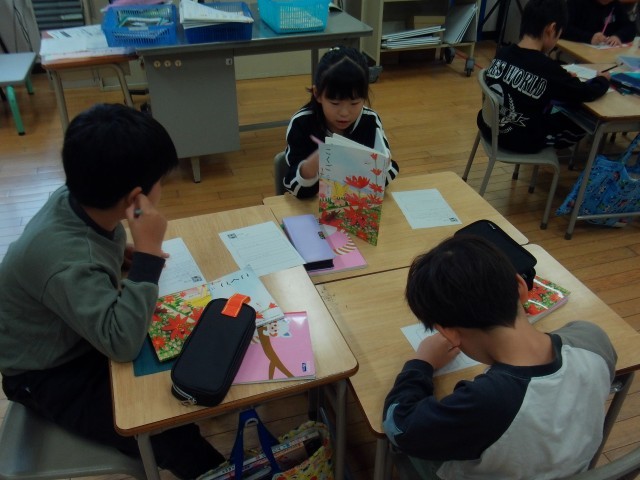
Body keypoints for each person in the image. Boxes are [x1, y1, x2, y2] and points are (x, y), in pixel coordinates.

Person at [0, 104, 225, 479]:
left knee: (177, 369)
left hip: (71, 332)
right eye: (161, 180)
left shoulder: (75, 198)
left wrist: (120, 253)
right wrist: (148, 255)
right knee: (165, 430)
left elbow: (90, 246)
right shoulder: (70, 264)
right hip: (45, 372)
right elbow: (121, 342)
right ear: (136, 198)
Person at [383, 235, 617, 480]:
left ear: (448, 333)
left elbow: (398, 426)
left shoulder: (486, 401)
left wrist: (422, 363)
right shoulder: (591, 338)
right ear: (521, 286)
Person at [477, 0, 610, 154]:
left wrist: (563, 79)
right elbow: (586, 93)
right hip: (519, 141)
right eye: (558, 35)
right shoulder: (548, 69)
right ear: (551, 29)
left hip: (488, 127)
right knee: (583, 119)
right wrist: (602, 80)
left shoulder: (503, 53)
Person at [282, 46, 399, 198]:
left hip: (355, 206)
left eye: (354, 103)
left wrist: (384, 165)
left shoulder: (369, 121)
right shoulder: (302, 123)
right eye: (335, 103)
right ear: (317, 94)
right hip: (311, 206)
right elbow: (294, 188)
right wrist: (313, 164)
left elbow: (383, 183)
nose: (344, 113)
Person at [562, 0, 636, 46]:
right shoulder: (576, 3)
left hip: (606, 52)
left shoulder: (615, 4)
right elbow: (563, 29)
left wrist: (618, 36)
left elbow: (630, 27)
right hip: (577, 51)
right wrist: (589, 37)